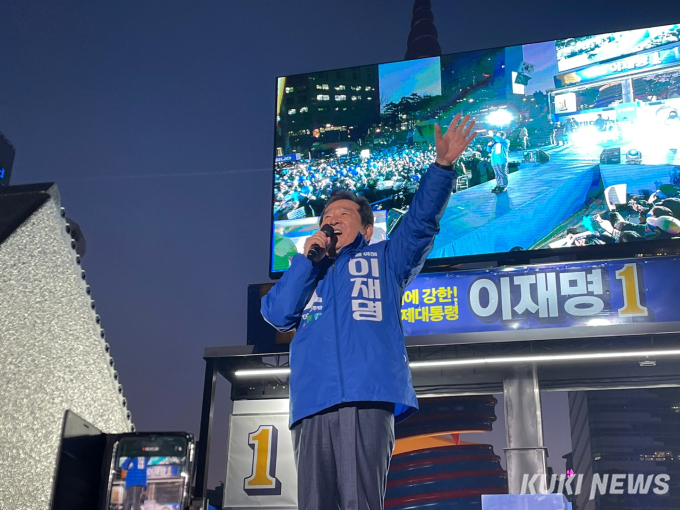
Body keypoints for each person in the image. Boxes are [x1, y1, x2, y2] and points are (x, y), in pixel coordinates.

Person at [261, 114, 476, 510]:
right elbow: (277, 314)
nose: (332, 219)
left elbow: (420, 224)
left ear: (365, 229)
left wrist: (442, 168)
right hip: (311, 403)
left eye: (343, 214)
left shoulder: (385, 259)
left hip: (368, 395)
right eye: (327, 216)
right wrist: (307, 262)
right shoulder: (308, 270)